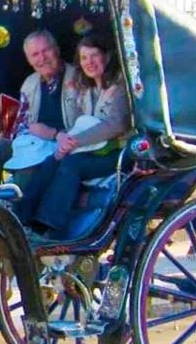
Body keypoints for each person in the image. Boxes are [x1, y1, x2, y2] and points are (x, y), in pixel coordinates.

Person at [14, 33, 132, 238]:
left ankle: (50, 226)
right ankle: (21, 219)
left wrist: (73, 141)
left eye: (94, 55)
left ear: (107, 56)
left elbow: (115, 125)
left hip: (119, 152)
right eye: (84, 58)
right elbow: (82, 124)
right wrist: (65, 145)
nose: (89, 62)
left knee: (72, 165)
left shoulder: (118, 85)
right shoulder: (88, 88)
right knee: (52, 161)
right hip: (94, 149)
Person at [0, 29, 82, 185]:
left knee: (28, 166)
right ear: (29, 60)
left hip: (62, 144)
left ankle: (16, 206)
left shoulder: (78, 79)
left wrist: (53, 134)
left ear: (56, 50)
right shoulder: (30, 83)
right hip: (32, 143)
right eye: (35, 54)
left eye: (46, 50)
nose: (42, 58)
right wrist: (15, 141)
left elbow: (88, 124)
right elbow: (22, 124)